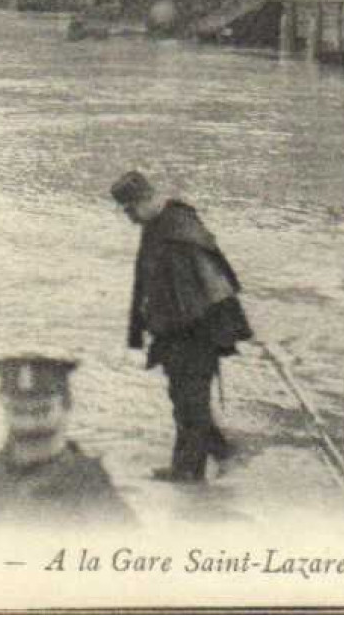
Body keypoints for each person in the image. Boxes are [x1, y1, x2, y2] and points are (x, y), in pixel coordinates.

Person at [110, 170, 253, 484]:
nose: (129, 218)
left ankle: (189, 473)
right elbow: (145, 281)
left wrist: (200, 337)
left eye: (130, 210)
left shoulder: (180, 232)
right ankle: (222, 452)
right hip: (178, 330)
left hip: (197, 333)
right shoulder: (158, 225)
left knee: (190, 401)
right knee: (184, 397)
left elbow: (213, 288)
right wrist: (137, 334)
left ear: (146, 200)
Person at [0, 355, 135, 530]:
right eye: (18, 401)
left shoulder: (92, 494)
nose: (28, 406)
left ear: (67, 405)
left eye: (41, 401)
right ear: (3, 403)